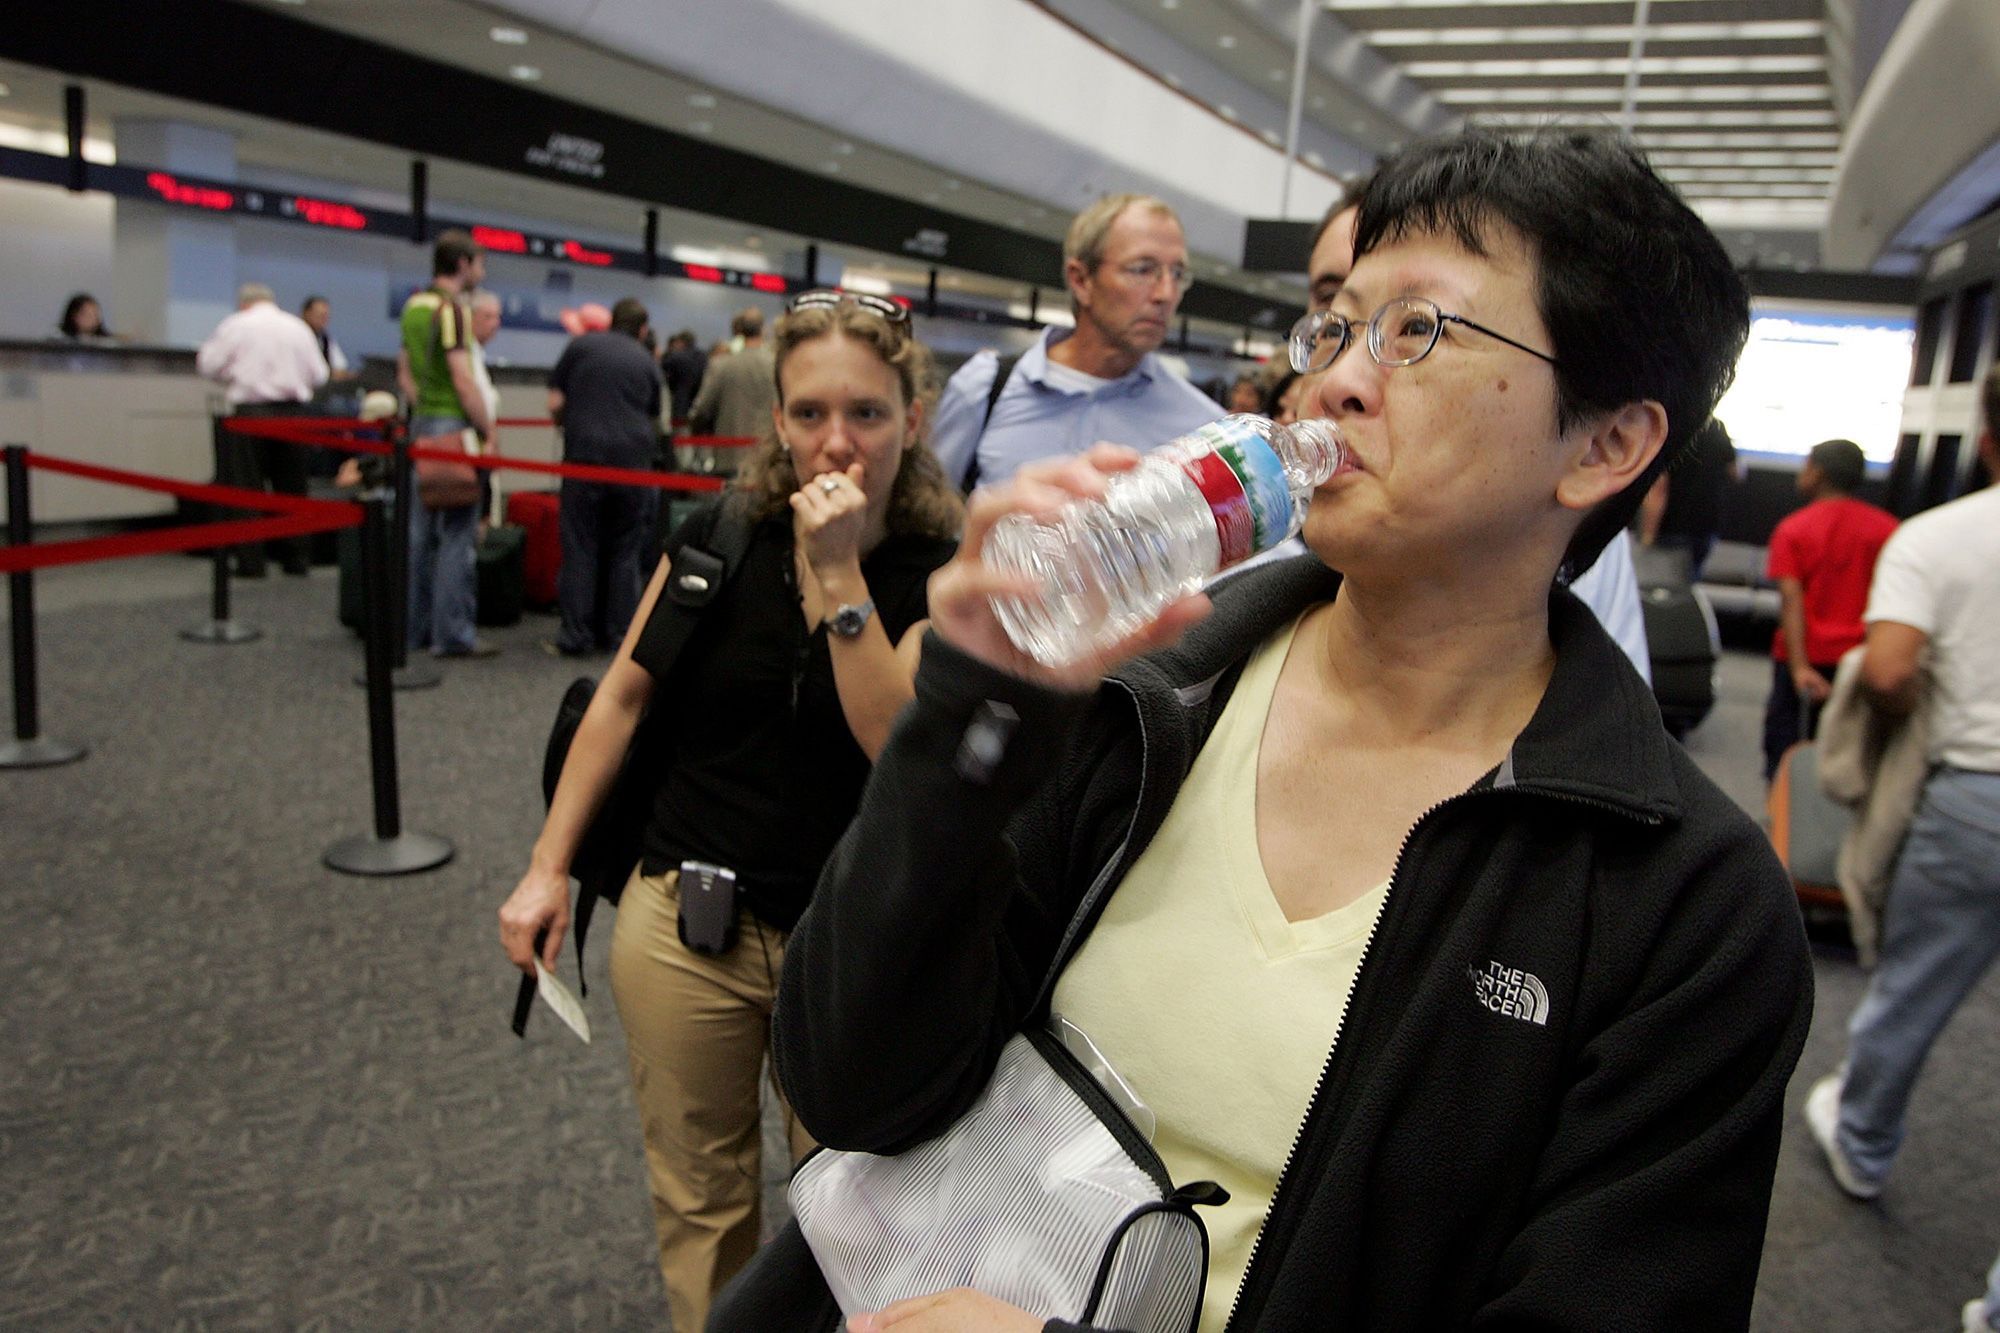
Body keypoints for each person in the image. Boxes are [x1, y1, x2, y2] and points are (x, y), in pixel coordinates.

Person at [718, 127, 1812, 1333]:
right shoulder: (1147, 691)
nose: (1336, 381)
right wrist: (967, 725)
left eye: (1419, 332)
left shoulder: (1686, 907)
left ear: (1605, 444)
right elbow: (848, 1082)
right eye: (1336, 325)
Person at [497, 292, 963, 1332]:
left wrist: (838, 572)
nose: (833, 440)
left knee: (845, 1207)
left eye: (866, 413)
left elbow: (896, 748)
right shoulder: (721, 533)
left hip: (849, 946)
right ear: (778, 421)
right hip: (684, 923)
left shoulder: (943, 571)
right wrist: (545, 868)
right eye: (806, 414)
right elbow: (619, 698)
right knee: (700, 1199)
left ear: (914, 418)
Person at [1802, 370, 2000, 1226]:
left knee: (1913, 988)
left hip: (1974, 798)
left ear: (1985, 435)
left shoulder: (1942, 536)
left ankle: (1864, 1139)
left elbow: (1888, 671)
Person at [928, 193, 1218, 492]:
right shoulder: (984, 389)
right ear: (1081, 280)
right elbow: (931, 517)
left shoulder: (1202, 430)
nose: (1166, 294)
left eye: (1178, 273)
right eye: (1143, 270)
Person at [1759, 438, 1897, 779]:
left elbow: (1792, 602)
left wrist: (1799, 668)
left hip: (1804, 661)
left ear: (1817, 473)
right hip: (1860, 662)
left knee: (1788, 756)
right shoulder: (1889, 530)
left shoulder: (1794, 528)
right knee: (1851, 756)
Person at [545, 296, 665, 656]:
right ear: (642, 330)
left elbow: (554, 403)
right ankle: (620, 634)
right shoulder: (647, 360)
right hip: (632, 464)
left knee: (581, 546)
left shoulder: (580, 347)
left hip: (585, 459)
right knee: (625, 550)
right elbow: (654, 414)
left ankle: (576, 635)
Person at [397, 229, 497, 658]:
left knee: (419, 534)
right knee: (458, 533)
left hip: (421, 426)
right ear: (462, 265)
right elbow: (463, 377)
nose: (481, 271)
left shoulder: (413, 307)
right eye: (478, 263)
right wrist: (483, 424)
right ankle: (453, 634)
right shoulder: (451, 310)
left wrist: (425, 413)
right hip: (453, 426)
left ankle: (414, 630)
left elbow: (405, 374)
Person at [196, 282, 329, 577]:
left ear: (244, 304)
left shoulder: (236, 325)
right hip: (293, 413)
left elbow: (207, 365)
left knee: (247, 488)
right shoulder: (297, 327)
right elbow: (320, 375)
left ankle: (251, 562)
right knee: (294, 489)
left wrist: (233, 375)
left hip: (251, 413)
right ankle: (297, 560)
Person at [1640, 415, 1737, 580]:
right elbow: (1736, 472)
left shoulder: (1669, 427)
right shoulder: (1716, 427)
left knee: (1661, 590)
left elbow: (1658, 488)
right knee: (1688, 584)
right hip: (1707, 526)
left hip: (1672, 527)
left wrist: (1647, 536)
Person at [688, 307, 775, 442]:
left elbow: (702, 411)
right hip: (768, 452)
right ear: (762, 329)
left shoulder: (720, 365)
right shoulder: (777, 365)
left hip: (728, 451)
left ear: (739, 330)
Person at [299, 295, 356, 382]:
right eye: (319, 315)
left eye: (326, 316)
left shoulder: (326, 340)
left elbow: (339, 366)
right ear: (306, 313)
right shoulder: (295, 336)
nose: (324, 320)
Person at [661, 328, 709, 426]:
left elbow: (664, 377)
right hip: (700, 404)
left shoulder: (675, 357)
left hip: (680, 405)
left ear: (681, 342)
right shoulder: (704, 357)